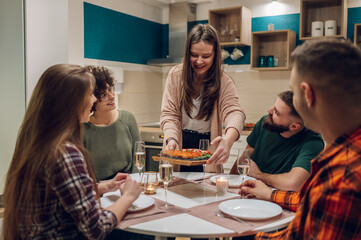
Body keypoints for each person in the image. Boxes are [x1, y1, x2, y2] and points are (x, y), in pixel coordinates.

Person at [2, 64, 142, 239]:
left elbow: (60, 196)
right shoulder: (65, 153)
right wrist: (128, 197)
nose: (93, 100)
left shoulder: (38, 142)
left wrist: (101, 187)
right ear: (73, 102)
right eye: (91, 94)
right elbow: (96, 228)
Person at [240, 38, 361, 239]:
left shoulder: (343, 175)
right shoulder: (344, 154)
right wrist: (270, 194)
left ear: (308, 94)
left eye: (293, 90)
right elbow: (313, 203)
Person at [160, 24, 246, 172]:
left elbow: (234, 113)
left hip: (208, 148)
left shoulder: (224, 81)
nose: (199, 61)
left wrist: (228, 140)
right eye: (194, 55)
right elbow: (169, 114)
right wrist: (171, 139)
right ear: (188, 53)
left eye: (206, 56)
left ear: (215, 55)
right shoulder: (175, 75)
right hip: (179, 143)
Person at [230, 91, 324, 191]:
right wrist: (229, 183)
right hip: (250, 191)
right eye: (273, 106)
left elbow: (294, 183)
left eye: (277, 112)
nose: (269, 110)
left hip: (278, 198)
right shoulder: (265, 123)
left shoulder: (313, 143)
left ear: (294, 126)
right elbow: (244, 159)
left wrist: (259, 175)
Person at [83, 65, 141, 181]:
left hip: (129, 183)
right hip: (101, 189)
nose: (111, 96)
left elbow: (139, 158)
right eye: (103, 95)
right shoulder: (83, 129)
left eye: (110, 89)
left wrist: (135, 182)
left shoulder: (127, 118)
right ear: (93, 100)